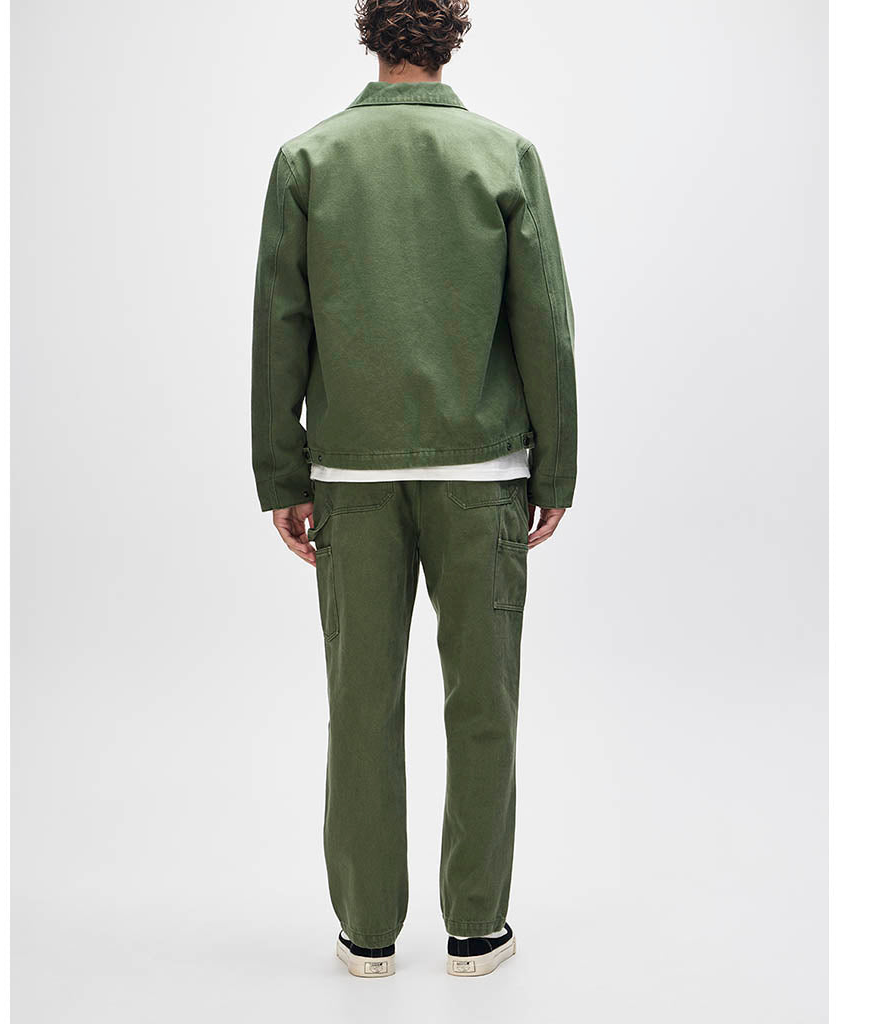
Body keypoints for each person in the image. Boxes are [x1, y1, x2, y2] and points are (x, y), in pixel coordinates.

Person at [251, 0, 576, 978]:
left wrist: (281, 472)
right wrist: (555, 465)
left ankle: (367, 935)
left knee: (359, 705)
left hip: (350, 475)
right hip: (483, 472)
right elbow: (543, 322)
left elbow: (280, 324)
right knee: (484, 704)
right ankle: (475, 930)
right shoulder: (503, 155)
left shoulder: (309, 159)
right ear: (451, 35)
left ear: (371, 33)